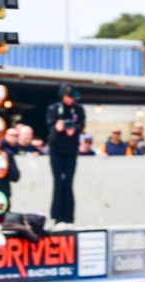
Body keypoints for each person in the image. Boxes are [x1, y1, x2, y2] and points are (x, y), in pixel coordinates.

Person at [46, 82, 86, 227]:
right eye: (68, 97)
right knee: (58, 182)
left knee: (68, 183)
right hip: (56, 150)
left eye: (72, 97)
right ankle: (57, 217)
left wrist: (74, 129)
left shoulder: (78, 109)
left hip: (71, 150)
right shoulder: (54, 109)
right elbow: (50, 127)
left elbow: (81, 125)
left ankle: (69, 217)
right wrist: (57, 128)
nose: (70, 100)